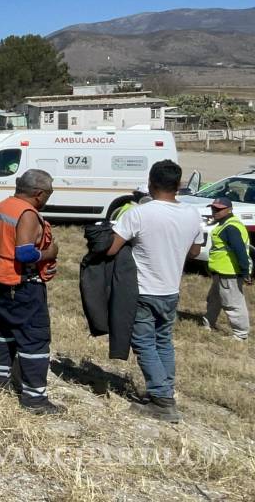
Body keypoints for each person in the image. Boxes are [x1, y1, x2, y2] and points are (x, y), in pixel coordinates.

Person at [108, 160, 203, 422]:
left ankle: (162, 400)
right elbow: (195, 251)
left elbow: (111, 248)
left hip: (143, 290)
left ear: (150, 183)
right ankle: (163, 390)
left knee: (144, 343)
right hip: (171, 290)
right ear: (179, 185)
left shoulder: (139, 214)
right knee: (164, 342)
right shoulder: (192, 214)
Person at [0, 169, 64, 415]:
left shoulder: (3, 206)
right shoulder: (28, 214)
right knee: (34, 339)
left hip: (1, 281)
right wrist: (50, 253)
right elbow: (25, 253)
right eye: (49, 193)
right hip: (24, 285)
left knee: (4, 331)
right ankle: (34, 398)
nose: (49, 198)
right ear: (39, 194)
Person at [203, 197, 251, 340]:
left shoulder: (231, 227)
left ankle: (240, 335)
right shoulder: (223, 223)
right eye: (213, 208)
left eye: (218, 209)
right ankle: (208, 323)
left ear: (229, 210)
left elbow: (240, 250)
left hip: (229, 272)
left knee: (233, 304)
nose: (214, 211)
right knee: (214, 299)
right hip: (220, 271)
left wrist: (245, 271)